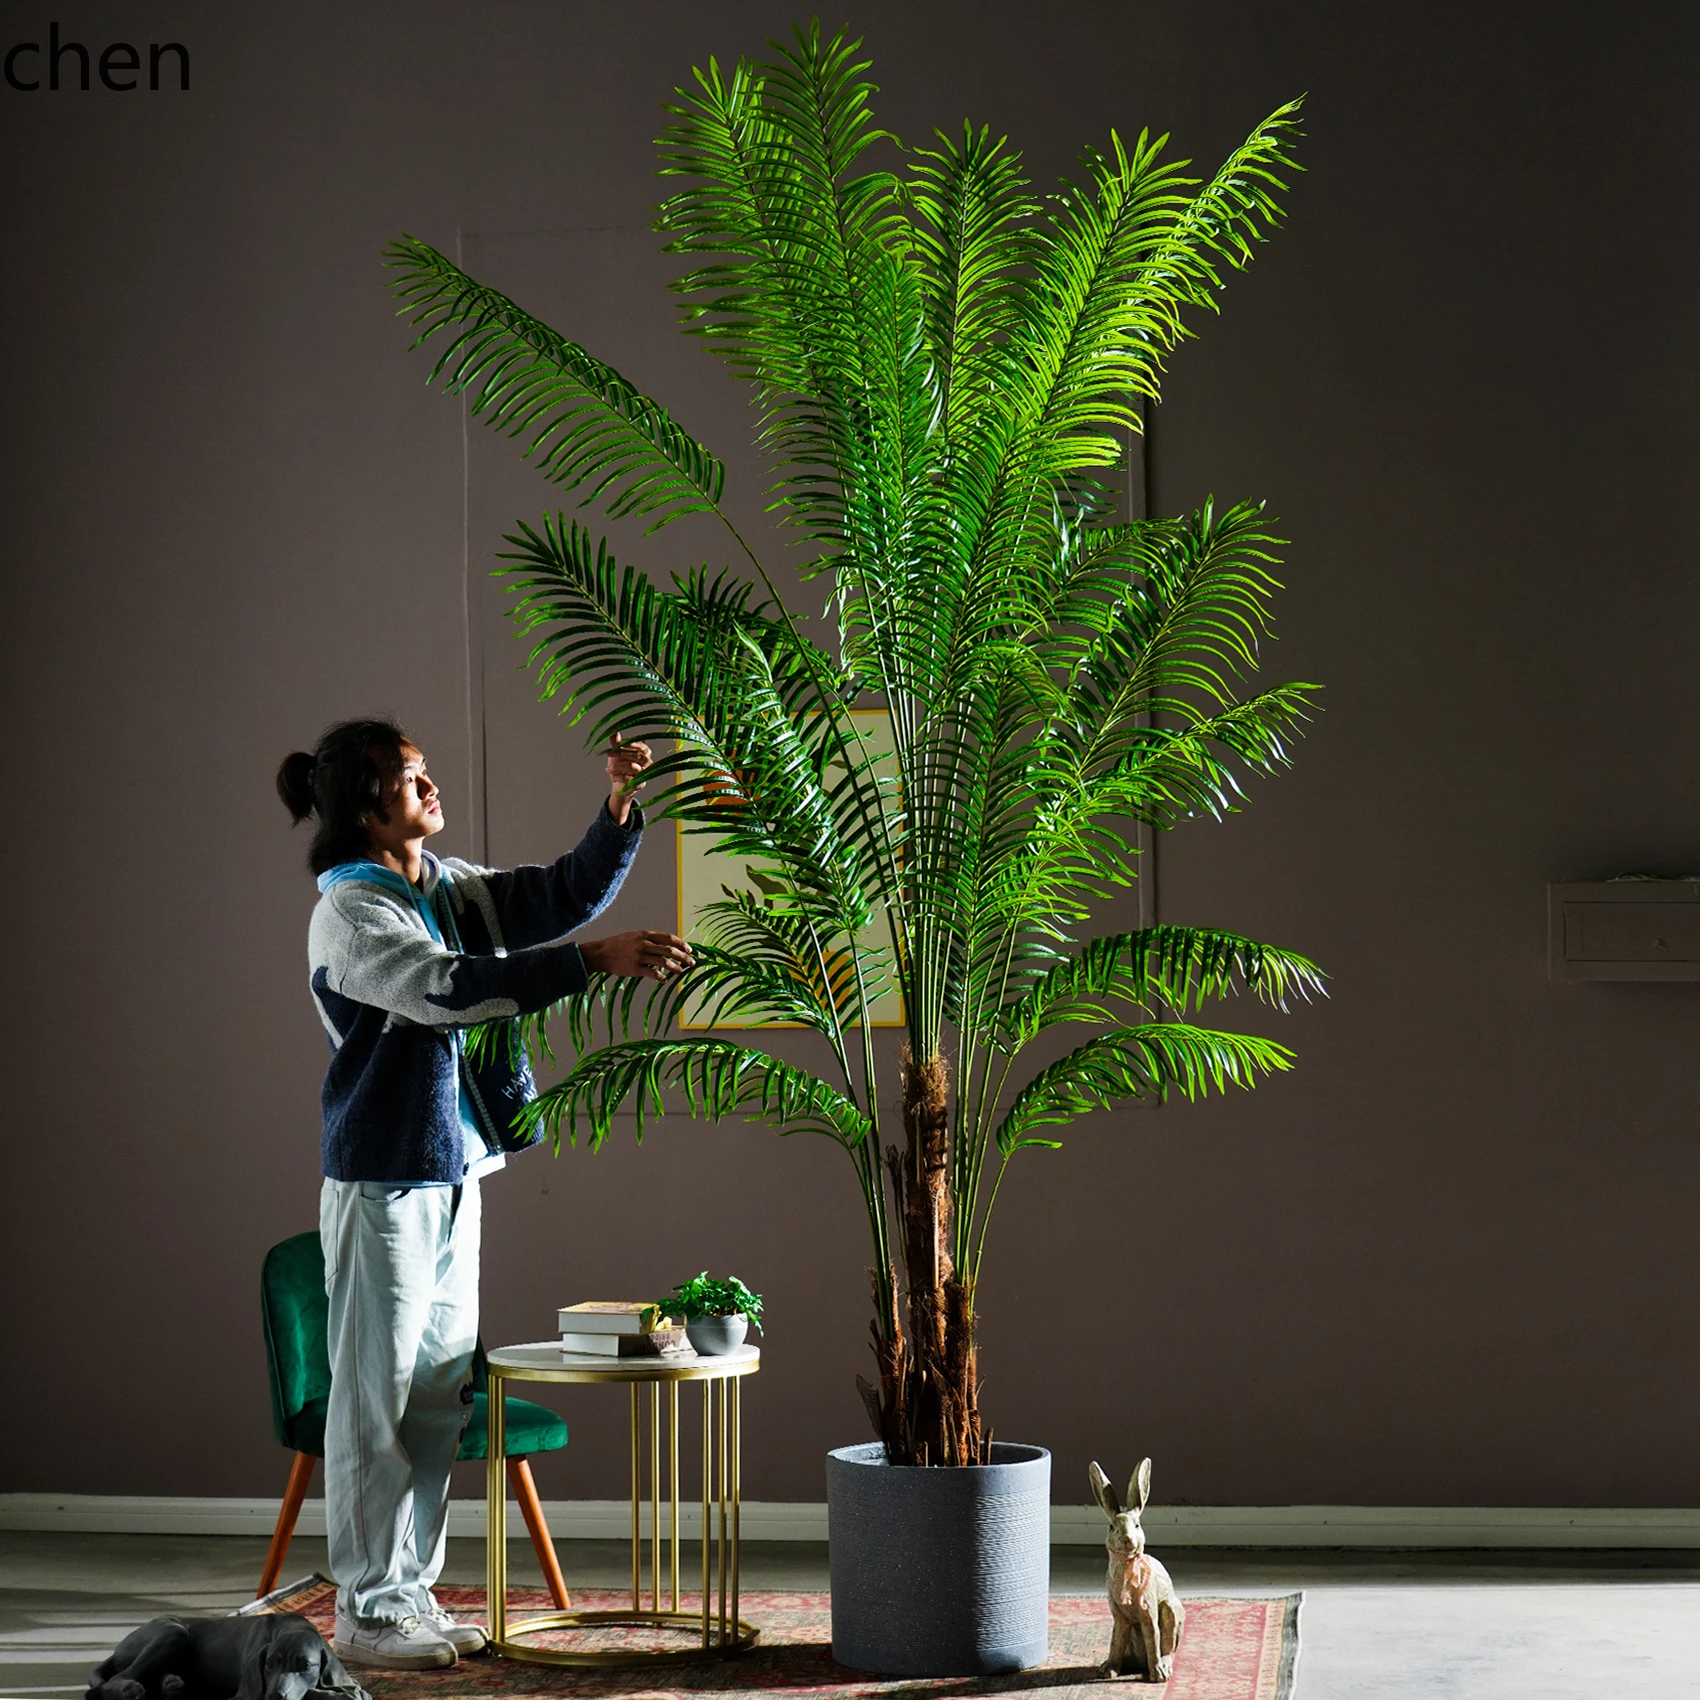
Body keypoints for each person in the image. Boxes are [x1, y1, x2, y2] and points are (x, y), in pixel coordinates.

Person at [276, 718, 691, 1670]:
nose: (430, 785)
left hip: (455, 1169)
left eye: (422, 769)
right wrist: (591, 961)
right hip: (384, 1183)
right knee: (376, 1406)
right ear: (367, 806)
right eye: (408, 775)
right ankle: (368, 1611)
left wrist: (619, 807)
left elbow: (557, 893)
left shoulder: (447, 886)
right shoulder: (350, 912)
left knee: (434, 1398)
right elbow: (446, 989)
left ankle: (408, 1596)